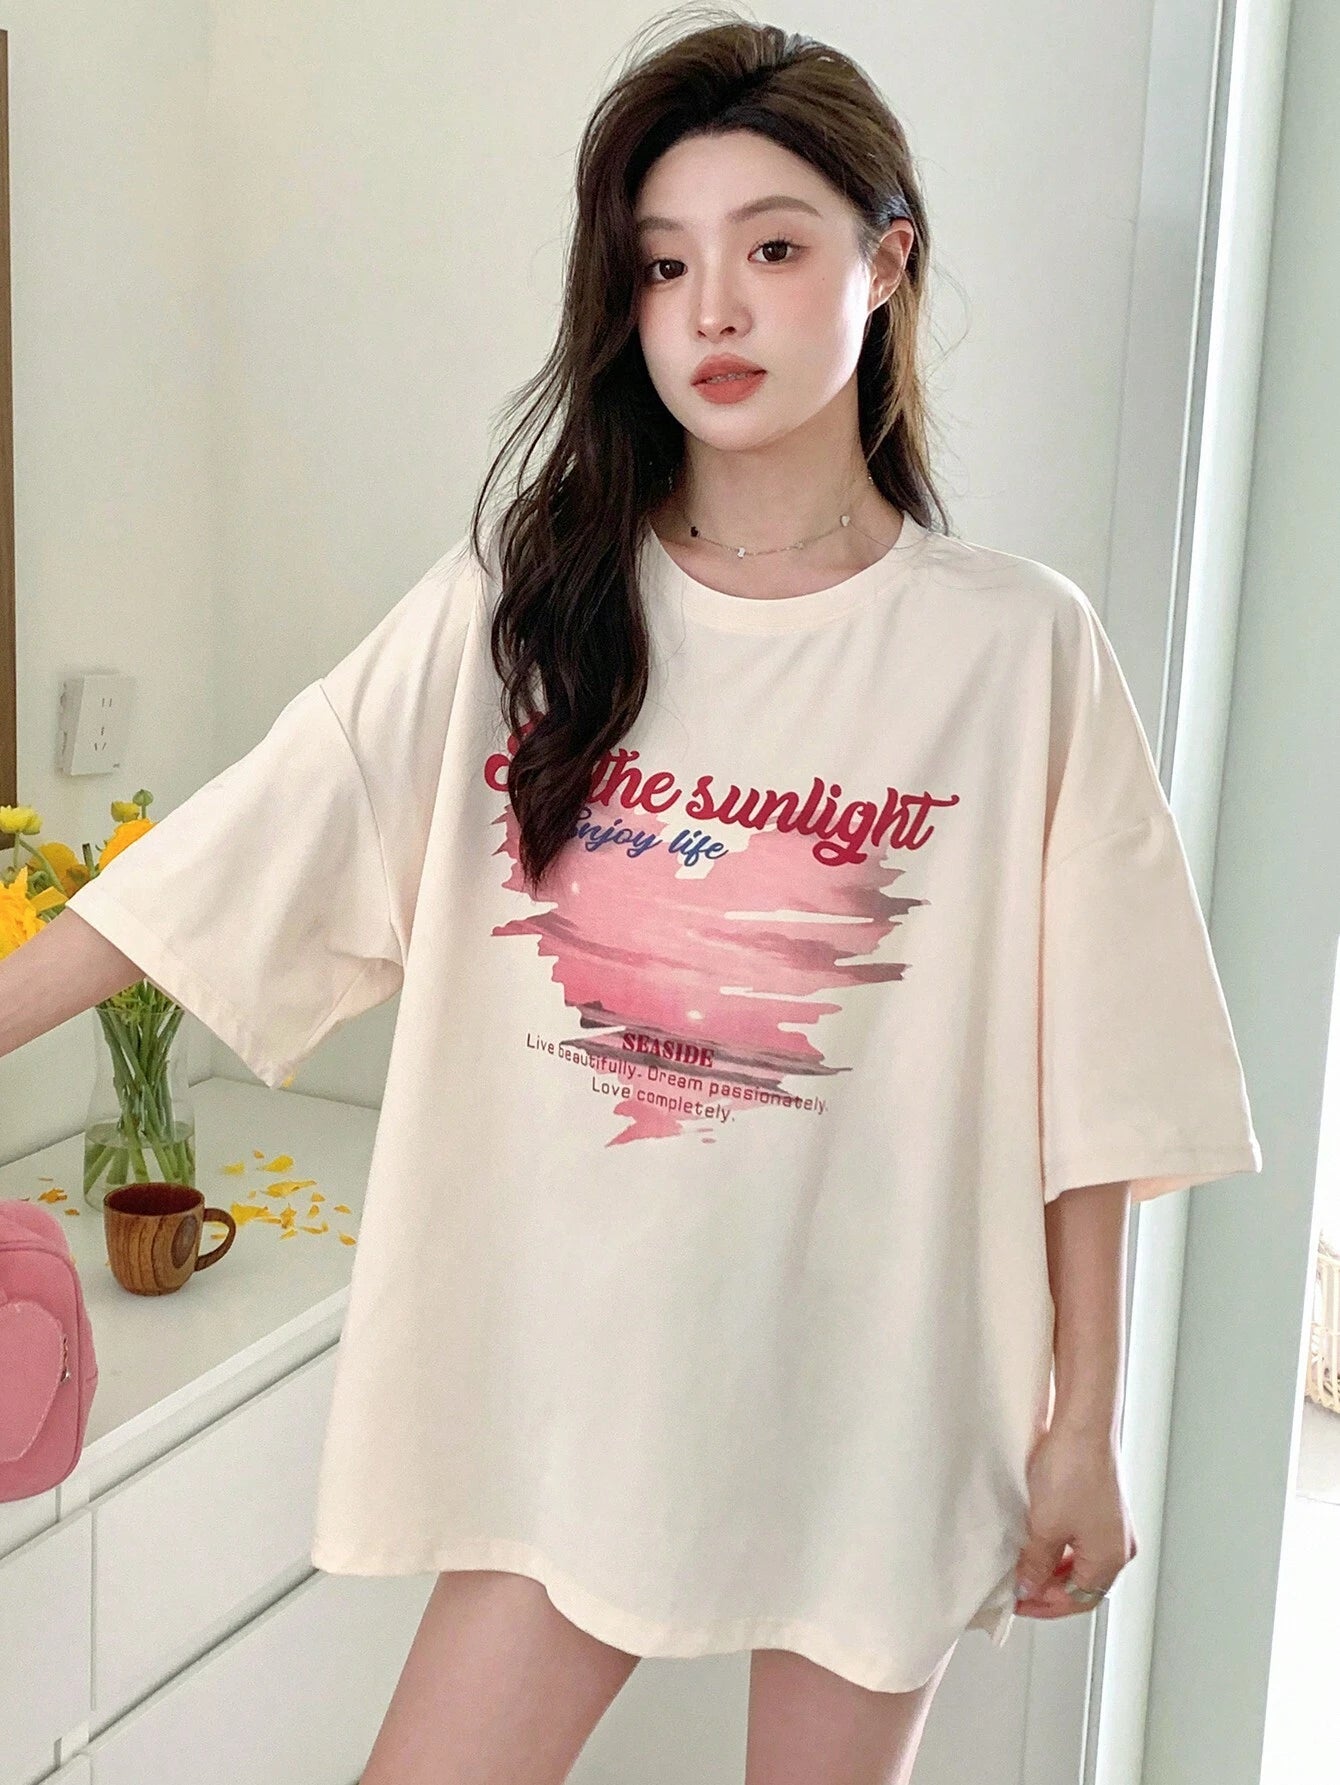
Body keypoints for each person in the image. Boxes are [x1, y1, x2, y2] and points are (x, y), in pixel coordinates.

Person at [1, 13, 1262, 1784]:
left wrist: (1086, 1422)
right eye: (665, 265)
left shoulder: (1014, 648)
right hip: (579, 1387)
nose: (713, 311)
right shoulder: (526, 609)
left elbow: (1102, 1074)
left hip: (884, 1386)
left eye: (774, 249)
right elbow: (243, 847)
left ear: (890, 262)